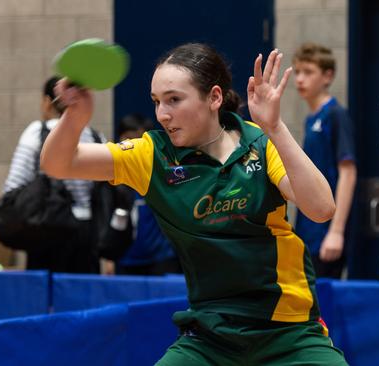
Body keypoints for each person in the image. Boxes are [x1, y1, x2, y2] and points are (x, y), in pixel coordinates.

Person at [41, 44, 347, 365]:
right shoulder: (153, 156)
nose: (162, 114)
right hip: (210, 335)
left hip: (289, 330)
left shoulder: (257, 143)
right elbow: (59, 164)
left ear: (214, 97)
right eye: (157, 102)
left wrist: (275, 129)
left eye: (174, 99)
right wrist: (74, 117)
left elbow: (321, 208)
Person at [2, 76, 108, 274]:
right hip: (88, 233)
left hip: (47, 229)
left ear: (47, 102)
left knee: (46, 298)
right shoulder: (96, 136)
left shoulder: (36, 131)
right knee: (84, 294)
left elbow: (14, 186)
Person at [292, 43, 357, 279]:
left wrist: (336, 231)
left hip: (326, 231)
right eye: (297, 72)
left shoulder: (335, 115)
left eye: (308, 72)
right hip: (308, 229)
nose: (300, 79)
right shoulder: (311, 119)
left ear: (327, 76)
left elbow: (348, 173)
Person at [112, 114, 182, 275]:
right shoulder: (113, 180)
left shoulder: (166, 173)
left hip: (162, 259)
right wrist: (107, 258)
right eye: (127, 140)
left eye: (138, 142)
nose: (132, 148)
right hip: (125, 258)